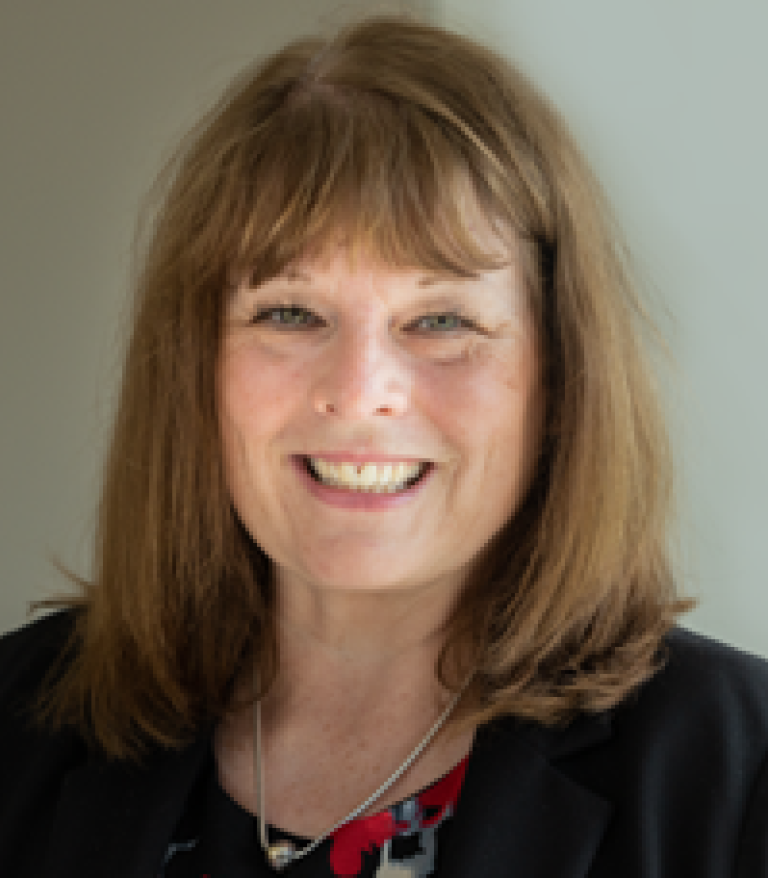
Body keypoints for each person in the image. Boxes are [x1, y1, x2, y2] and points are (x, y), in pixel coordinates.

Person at [1, 14, 766, 878]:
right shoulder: (18, 724)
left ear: (560, 380)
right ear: (196, 369)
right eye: (289, 313)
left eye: (442, 320)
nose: (360, 391)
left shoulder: (739, 778)